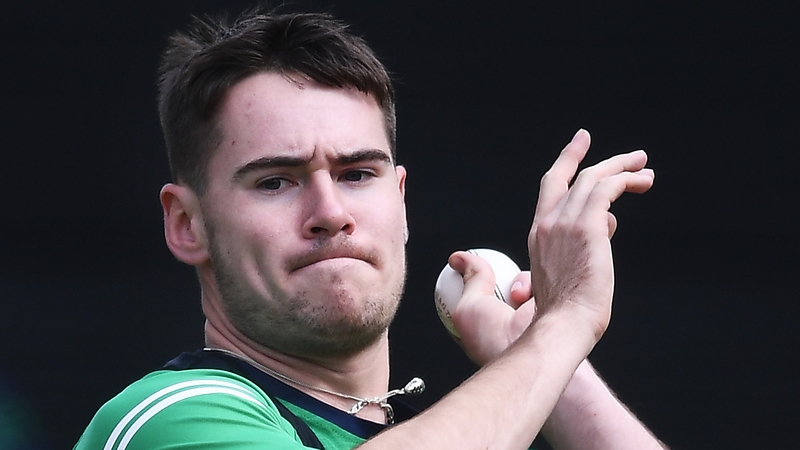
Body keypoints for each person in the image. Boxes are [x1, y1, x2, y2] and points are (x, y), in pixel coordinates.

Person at [75, 7, 666, 450]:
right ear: (187, 225)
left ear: (401, 203)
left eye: (357, 173)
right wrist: (565, 324)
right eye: (275, 181)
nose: (330, 212)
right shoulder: (166, 417)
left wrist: (547, 366)